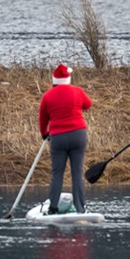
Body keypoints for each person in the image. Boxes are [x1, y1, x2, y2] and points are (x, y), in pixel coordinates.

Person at [38, 63, 93, 214]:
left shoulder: (48, 95)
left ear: (54, 81)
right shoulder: (77, 91)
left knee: (57, 174)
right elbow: (88, 105)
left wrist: (44, 134)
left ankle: (53, 207)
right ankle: (80, 208)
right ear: (68, 79)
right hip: (78, 135)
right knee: (77, 174)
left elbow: (43, 119)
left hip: (58, 138)